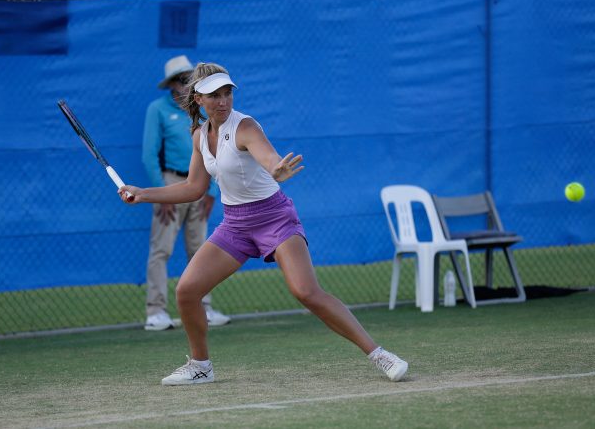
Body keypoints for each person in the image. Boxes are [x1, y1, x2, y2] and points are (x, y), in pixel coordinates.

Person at [120, 62, 408, 385]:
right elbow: (194, 187)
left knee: (306, 291)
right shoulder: (200, 135)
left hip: (275, 217)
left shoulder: (245, 127)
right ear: (199, 99)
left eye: (227, 92)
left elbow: (268, 156)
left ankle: (379, 354)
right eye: (214, 95)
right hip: (235, 225)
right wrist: (143, 193)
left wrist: (276, 169)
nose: (223, 101)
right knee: (187, 291)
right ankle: (200, 366)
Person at [141, 55, 230, 331]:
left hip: (200, 184)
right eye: (183, 80)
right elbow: (149, 155)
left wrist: (212, 190)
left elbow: (213, 152)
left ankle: (204, 307)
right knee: (162, 249)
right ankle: (155, 311)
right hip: (171, 183)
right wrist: (162, 194)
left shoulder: (202, 110)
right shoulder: (157, 109)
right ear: (171, 84)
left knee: (200, 250)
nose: (188, 84)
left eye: (190, 80)